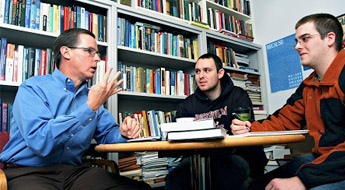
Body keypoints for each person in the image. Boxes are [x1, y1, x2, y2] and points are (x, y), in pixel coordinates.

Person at [0, 28, 150, 190]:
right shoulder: (33, 88)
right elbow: (40, 141)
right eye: (90, 51)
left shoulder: (91, 96)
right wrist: (89, 108)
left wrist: (123, 132)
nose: (98, 59)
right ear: (66, 52)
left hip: (74, 173)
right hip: (28, 172)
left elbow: (107, 135)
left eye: (97, 53)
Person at [231, 13, 345, 190]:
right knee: (256, 185)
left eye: (305, 39)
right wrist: (249, 127)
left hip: (338, 164)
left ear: (330, 38)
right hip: (323, 159)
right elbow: (284, 119)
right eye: (297, 41)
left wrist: (304, 180)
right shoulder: (309, 85)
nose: (298, 47)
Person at [165, 53, 268, 190]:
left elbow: (246, 133)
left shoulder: (238, 96)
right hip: (198, 158)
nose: (201, 76)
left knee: (224, 172)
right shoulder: (186, 105)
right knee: (174, 179)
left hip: (234, 155)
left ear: (220, 73)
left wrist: (241, 128)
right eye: (197, 71)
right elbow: (178, 140)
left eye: (207, 70)